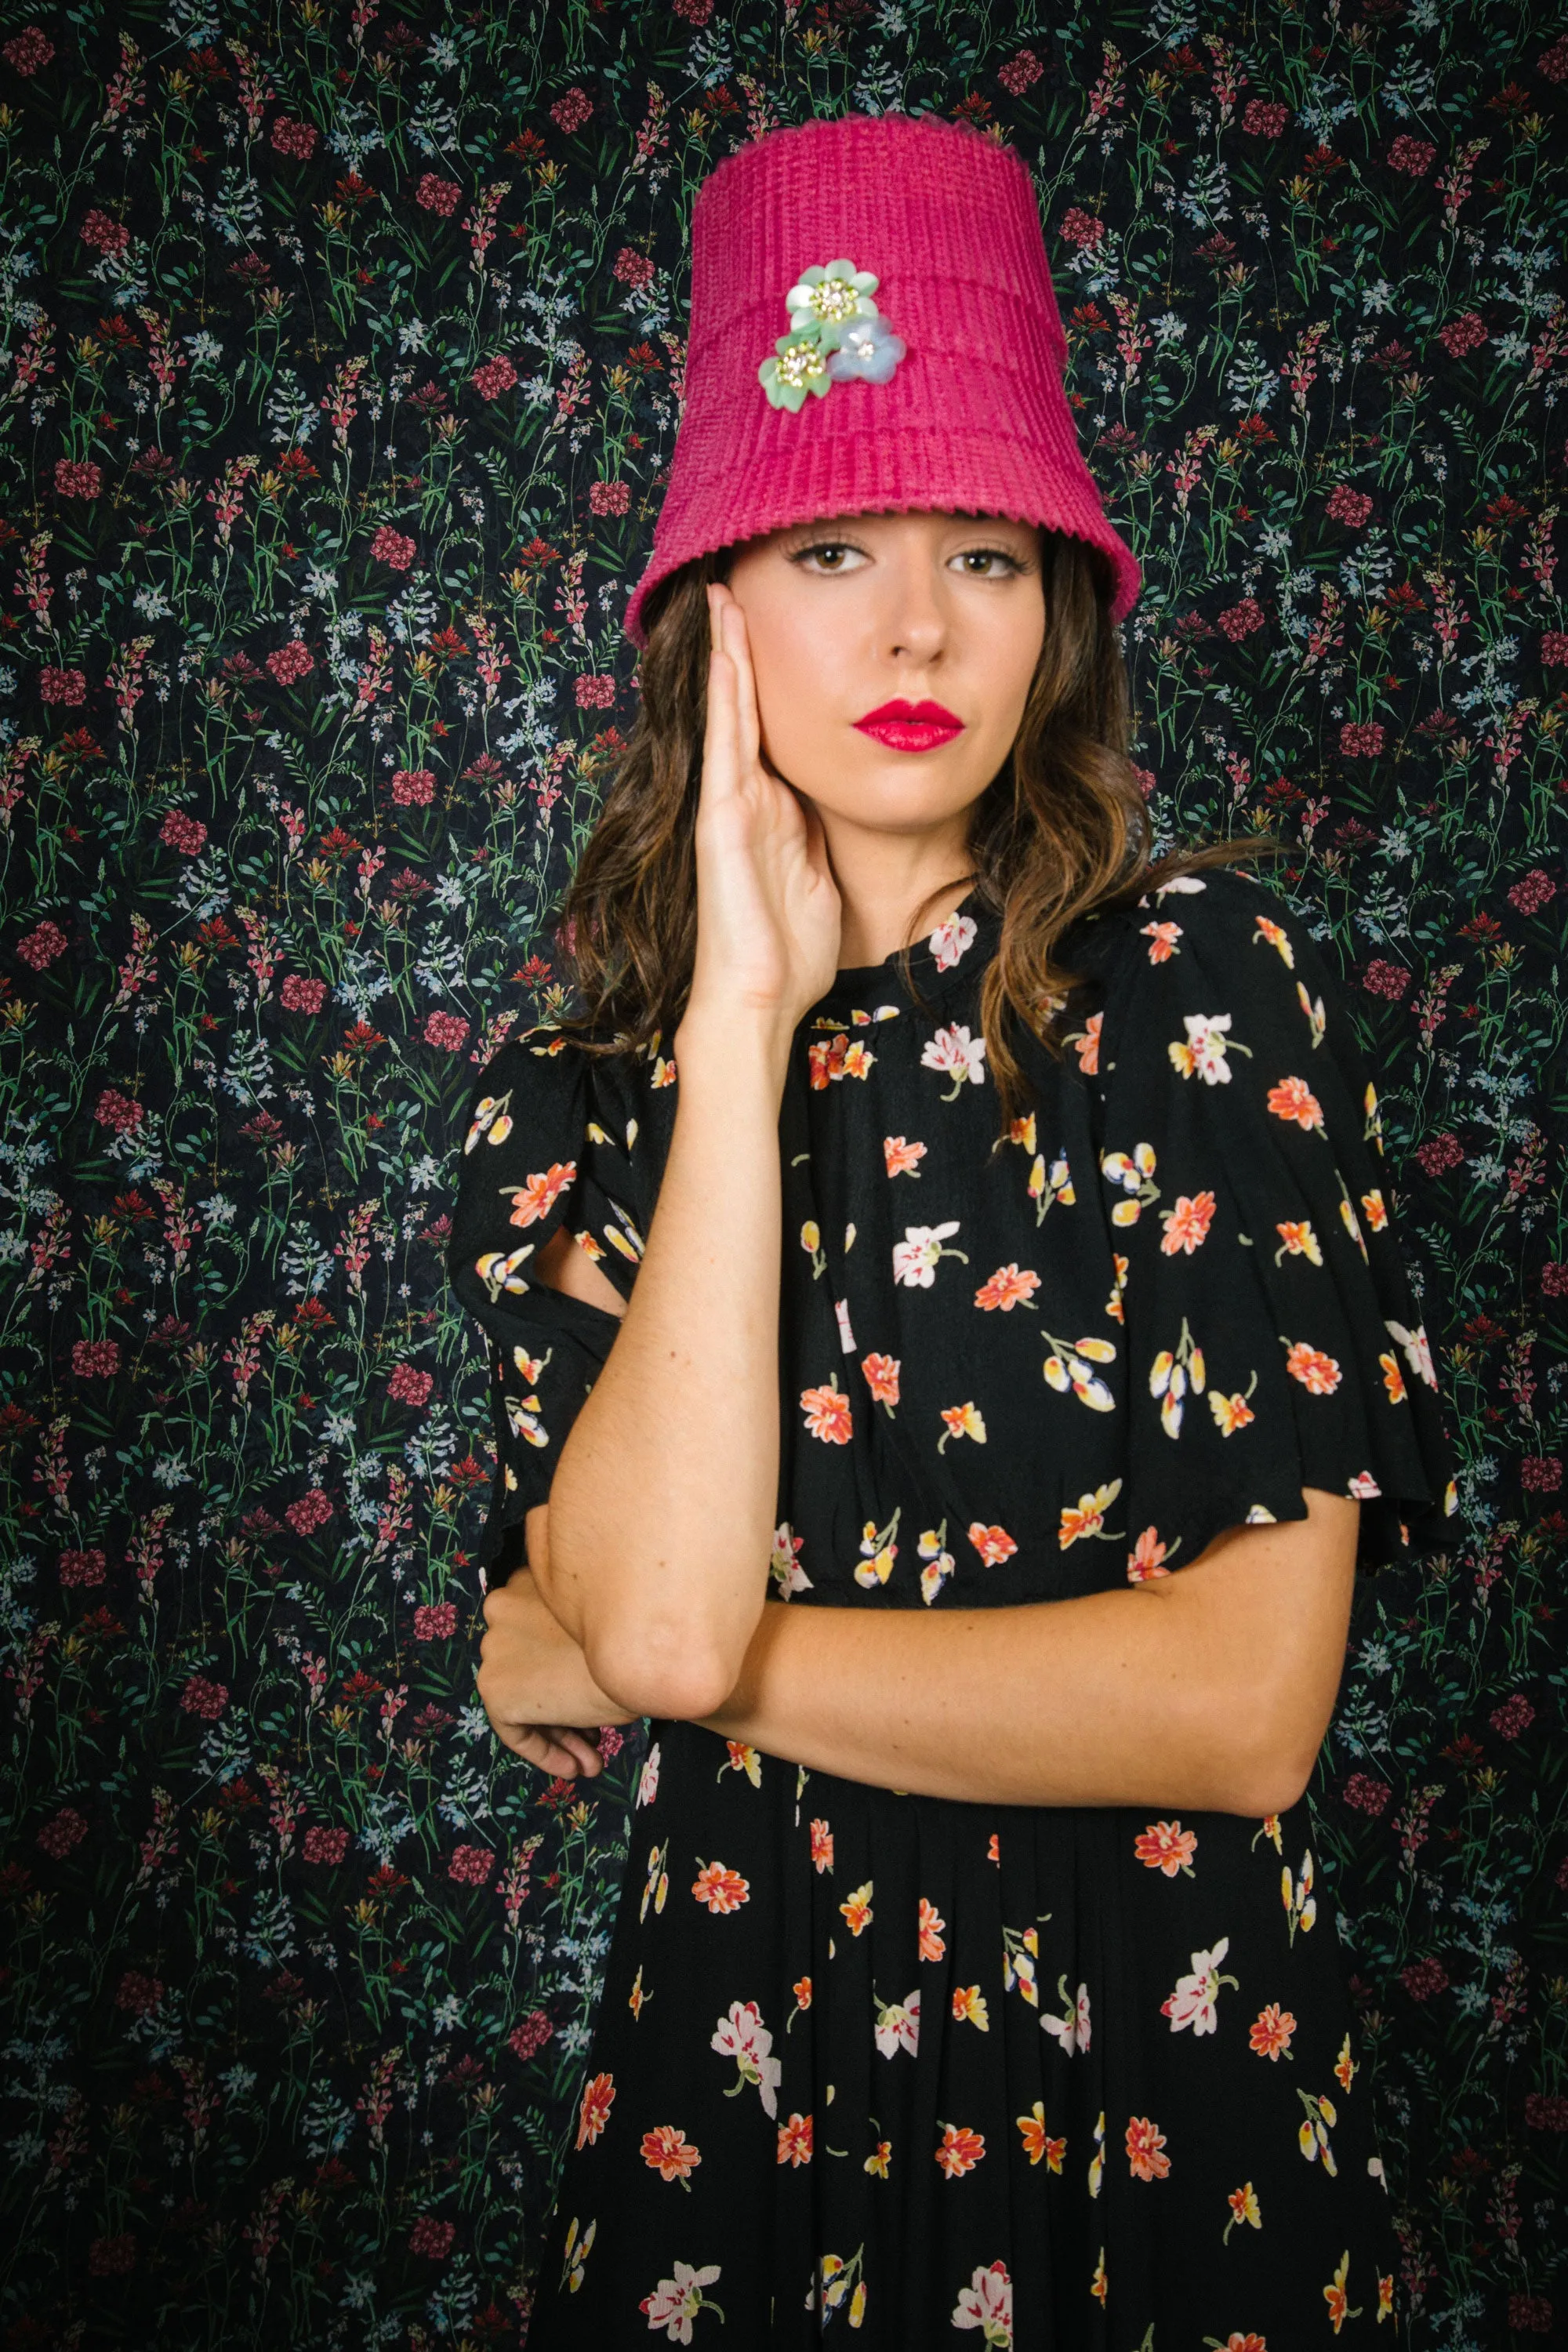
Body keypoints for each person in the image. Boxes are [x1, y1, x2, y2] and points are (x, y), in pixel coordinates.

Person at [449, 111, 1455, 2347]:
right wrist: (739, 1022)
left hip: (1163, 2118)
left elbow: (1234, 1712)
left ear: (1056, 606)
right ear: (709, 607)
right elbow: (660, 1609)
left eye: (985, 553)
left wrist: (638, 1660)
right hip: (740, 2120)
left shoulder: (1198, 989)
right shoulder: (575, 1115)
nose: (917, 622)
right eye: (831, 550)